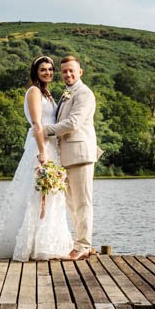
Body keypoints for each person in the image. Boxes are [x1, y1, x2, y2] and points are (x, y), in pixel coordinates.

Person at [0, 56, 74, 261]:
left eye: (50, 69)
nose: (48, 73)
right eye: (43, 70)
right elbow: (37, 124)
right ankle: (32, 245)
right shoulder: (34, 92)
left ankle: (48, 243)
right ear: (35, 72)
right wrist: (42, 152)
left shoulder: (48, 93)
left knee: (51, 195)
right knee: (37, 194)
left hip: (52, 147)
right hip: (41, 146)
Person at [44, 55, 100, 260]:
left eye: (71, 71)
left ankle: (83, 245)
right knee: (72, 204)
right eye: (64, 71)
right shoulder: (67, 93)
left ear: (80, 72)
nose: (67, 74)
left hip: (81, 155)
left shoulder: (84, 93)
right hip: (67, 157)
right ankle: (81, 244)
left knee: (83, 203)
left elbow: (73, 123)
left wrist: (45, 130)